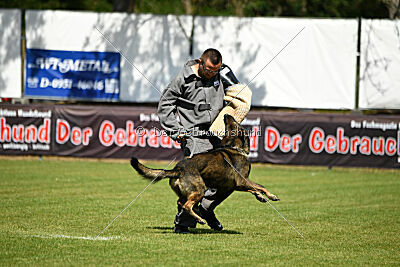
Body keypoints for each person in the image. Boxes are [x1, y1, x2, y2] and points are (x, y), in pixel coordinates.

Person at [158, 48, 243, 234]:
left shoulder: (222, 74)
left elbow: (240, 93)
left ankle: (205, 209)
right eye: (210, 70)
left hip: (216, 135)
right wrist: (176, 130)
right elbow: (165, 104)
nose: (214, 74)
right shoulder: (183, 78)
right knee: (194, 182)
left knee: (228, 180)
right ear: (200, 62)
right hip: (193, 137)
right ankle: (182, 225)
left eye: (216, 71)